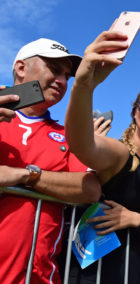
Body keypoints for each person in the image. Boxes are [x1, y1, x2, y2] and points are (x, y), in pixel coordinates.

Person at [64, 30, 140, 283]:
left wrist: (135, 220)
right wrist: (84, 85)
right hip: (95, 272)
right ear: (135, 111)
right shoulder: (120, 154)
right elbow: (80, 144)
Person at [0, 38, 101, 284]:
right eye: (55, 70)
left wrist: (27, 175)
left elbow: (90, 189)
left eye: (67, 76)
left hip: (38, 277)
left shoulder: (68, 135)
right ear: (21, 68)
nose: (63, 82)